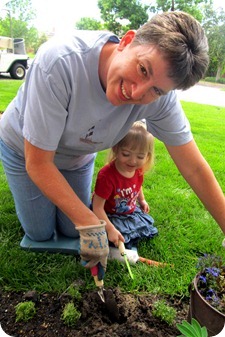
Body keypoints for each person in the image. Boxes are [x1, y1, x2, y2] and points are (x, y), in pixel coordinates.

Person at [1, 11, 225, 279]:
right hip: (25, 150)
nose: (138, 92)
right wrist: (87, 221)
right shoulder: (60, 61)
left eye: (156, 90)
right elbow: (38, 163)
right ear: (127, 41)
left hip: (77, 156)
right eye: (143, 69)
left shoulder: (159, 99)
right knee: (40, 232)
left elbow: (194, 168)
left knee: (72, 229)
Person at [92, 121, 158, 249]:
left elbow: (137, 186)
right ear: (116, 149)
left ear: (147, 156)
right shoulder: (107, 176)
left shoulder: (138, 170)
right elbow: (97, 208)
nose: (133, 161)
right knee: (120, 240)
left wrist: (142, 200)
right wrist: (110, 229)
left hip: (130, 212)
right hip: (110, 215)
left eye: (140, 156)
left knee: (145, 231)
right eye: (126, 154)